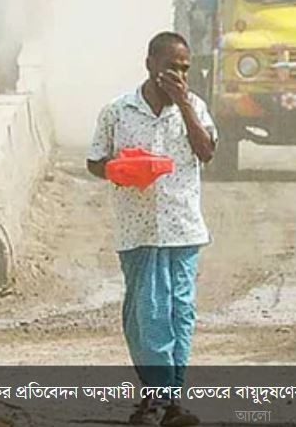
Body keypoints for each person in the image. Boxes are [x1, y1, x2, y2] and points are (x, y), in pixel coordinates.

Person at [87, 32, 216, 427]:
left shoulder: (194, 107)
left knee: (180, 313)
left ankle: (170, 400)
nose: (177, 75)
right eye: (170, 67)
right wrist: (119, 168)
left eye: (184, 69)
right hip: (137, 229)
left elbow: (206, 151)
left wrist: (184, 106)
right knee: (147, 315)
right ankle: (156, 395)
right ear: (149, 64)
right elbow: (95, 161)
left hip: (182, 227)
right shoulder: (118, 111)